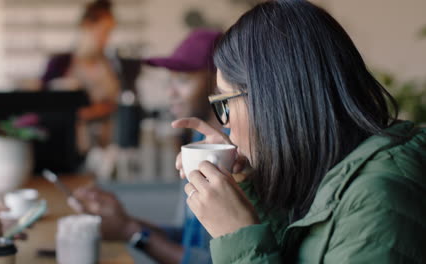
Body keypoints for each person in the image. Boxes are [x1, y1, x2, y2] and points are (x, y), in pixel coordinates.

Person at [173, 1, 426, 263]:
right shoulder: (327, 178)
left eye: (224, 103)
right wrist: (248, 188)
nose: (224, 123)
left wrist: (238, 238)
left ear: (271, 99)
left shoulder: (378, 201)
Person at [71, 30, 225, 264]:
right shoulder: (198, 141)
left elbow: (218, 260)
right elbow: (190, 239)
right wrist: (123, 222)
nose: (170, 93)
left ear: (219, 81)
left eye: (182, 80)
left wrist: (130, 232)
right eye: (169, 81)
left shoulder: (235, 153)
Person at [41, 0, 120, 154]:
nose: (107, 39)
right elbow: (44, 105)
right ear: (87, 27)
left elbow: (118, 101)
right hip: (68, 146)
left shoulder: (110, 65)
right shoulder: (60, 63)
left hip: (107, 145)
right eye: (104, 31)